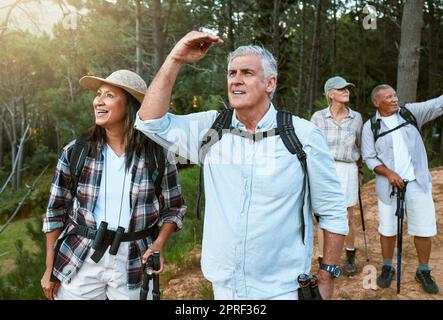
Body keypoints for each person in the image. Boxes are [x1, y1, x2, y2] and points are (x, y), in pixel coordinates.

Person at [134, 31, 348, 300]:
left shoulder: (303, 135)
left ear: (270, 83)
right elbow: (150, 121)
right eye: (231, 73)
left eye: (247, 72)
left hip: (282, 288)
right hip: (224, 286)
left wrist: (327, 274)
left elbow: (332, 210)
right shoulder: (211, 129)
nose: (236, 79)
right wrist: (176, 57)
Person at [40, 69, 186, 300]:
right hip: (80, 257)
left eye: (109, 95)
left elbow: (174, 208)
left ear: (130, 104)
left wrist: (159, 243)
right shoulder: (76, 152)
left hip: (134, 260)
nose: (98, 101)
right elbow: (55, 211)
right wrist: (50, 267)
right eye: (98, 94)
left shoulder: (157, 155)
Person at [361, 84, 442, 294]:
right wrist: (389, 173)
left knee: (424, 228)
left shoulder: (410, 113)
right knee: (387, 229)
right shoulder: (370, 126)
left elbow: (437, 104)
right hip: (388, 187)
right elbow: (369, 157)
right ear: (376, 102)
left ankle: (423, 270)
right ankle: (388, 267)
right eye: (388, 97)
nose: (394, 99)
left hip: (418, 183)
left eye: (395, 95)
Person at [311, 76, 363, 277]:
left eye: (347, 89)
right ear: (330, 94)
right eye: (341, 89)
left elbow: (359, 146)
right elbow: (311, 146)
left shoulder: (356, 117)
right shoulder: (318, 117)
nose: (346, 92)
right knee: (324, 216)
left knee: (348, 216)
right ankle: (325, 260)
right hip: (324, 169)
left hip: (348, 168)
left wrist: (359, 171)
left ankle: (350, 255)